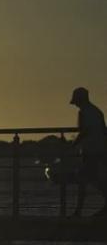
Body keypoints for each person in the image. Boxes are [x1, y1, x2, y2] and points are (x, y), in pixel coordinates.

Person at [69, 87, 107, 217]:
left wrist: (72, 145)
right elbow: (104, 130)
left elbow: (83, 132)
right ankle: (80, 210)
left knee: (83, 180)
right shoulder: (97, 112)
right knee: (95, 179)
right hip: (100, 150)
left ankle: (78, 211)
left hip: (90, 151)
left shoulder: (83, 112)